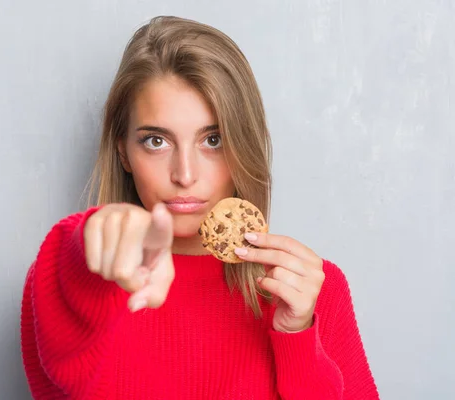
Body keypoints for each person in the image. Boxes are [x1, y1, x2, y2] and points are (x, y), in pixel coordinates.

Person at [20, 15, 379, 400]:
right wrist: (94, 240)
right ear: (123, 150)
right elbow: (71, 267)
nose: (185, 175)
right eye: (156, 141)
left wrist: (298, 338)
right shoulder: (75, 282)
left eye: (213, 140)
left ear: (245, 145)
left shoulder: (311, 291)